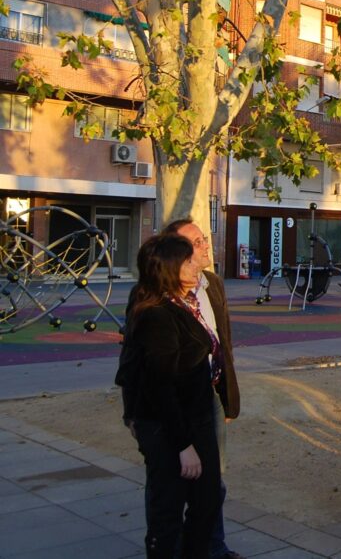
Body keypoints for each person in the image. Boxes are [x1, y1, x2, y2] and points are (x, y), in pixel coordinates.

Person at [119, 219, 242, 559]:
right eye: (192, 247)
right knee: (169, 496)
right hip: (170, 418)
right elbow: (154, 378)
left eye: (202, 241)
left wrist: (227, 398)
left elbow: (221, 344)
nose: (202, 249)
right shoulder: (156, 311)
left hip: (203, 403)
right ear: (171, 263)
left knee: (209, 491)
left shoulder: (204, 290)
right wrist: (182, 443)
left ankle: (207, 547)